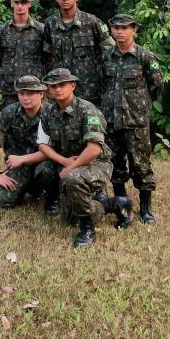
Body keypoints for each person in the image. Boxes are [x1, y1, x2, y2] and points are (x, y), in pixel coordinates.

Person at [37, 68, 132, 248]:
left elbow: (94, 150)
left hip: (96, 163)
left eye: (62, 85)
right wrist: (64, 162)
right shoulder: (48, 112)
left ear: (72, 86)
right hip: (68, 161)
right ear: (49, 89)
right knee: (44, 171)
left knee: (72, 179)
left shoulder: (87, 110)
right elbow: (42, 144)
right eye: (53, 86)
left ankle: (87, 229)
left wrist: (70, 168)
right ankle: (114, 204)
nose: (57, 89)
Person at [102, 13, 164, 224]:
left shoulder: (145, 56)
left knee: (141, 165)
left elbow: (157, 85)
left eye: (125, 28)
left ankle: (146, 210)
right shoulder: (107, 56)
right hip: (111, 120)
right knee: (115, 164)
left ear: (134, 30)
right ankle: (122, 206)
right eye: (116, 28)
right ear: (111, 30)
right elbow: (103, 84)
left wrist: (140, 105)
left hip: (136, 121)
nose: (120, 32)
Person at [0, 75, 58, 211]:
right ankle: (28, 188)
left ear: (41, 94)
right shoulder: (10, 112)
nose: (25, 98)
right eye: (21, 93)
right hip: (19, 167)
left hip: (44, 164)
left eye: (30, 93)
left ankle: (52, 196)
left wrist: (23, 159)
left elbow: (53, 150)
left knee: (46, 171)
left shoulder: (51, 114)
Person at [42, 0, 113, 107]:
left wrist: (105, 79)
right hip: (60, 87)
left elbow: (110, 51)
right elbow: (46, 55)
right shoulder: (50, 23)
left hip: (88, 87)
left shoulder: (91, 22)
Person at [0, 0, 45, 108]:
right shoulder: (2, 30)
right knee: (10, 117)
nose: (20, 6)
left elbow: (47, 57)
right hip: (10, 87)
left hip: (34, 87)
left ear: (29, 3)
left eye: (23, 2)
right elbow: (0, 56)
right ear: (12, 3)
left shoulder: (40, 30)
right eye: (16, 2)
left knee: (36, 118)